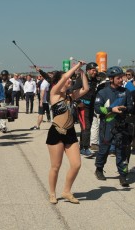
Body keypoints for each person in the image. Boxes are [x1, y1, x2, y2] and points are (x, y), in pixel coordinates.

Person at [46, 61, 89, 204]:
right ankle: (52, 193)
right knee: (55, 166)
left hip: (70, 133)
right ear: (58, 82)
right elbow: (65, 78)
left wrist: (82, 73)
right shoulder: (54, 94)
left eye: (71, 79)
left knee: (76, 164)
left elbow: (86, 88)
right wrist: (76, 66)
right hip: (56, 133)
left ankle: (66, 191)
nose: (69, 80)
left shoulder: (70, 96)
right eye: (67, 79)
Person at [94, 66, 133, 187]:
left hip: (122, 126)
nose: (121, 79)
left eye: (122, 77)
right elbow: (97, 109)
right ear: (111, 79)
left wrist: (126, 109)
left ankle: (123, 175)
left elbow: (131, 107)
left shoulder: (126, 91)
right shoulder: (102, 92)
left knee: (121, 150)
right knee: (104, 149)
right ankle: (99, 169)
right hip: (107, 126)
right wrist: (112, 109)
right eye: (118, 77)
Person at [72, 62, 99, 157]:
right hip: (82, 107)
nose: (95, 72)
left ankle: (82, 147)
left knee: (87, 127)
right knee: (86, 127)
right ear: (88, 70)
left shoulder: (95, 79)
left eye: (96, 70)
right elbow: (72, 91)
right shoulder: (82, 79)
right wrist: (78, 102)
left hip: (91, 107)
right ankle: (85, 148)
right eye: (93, 70)